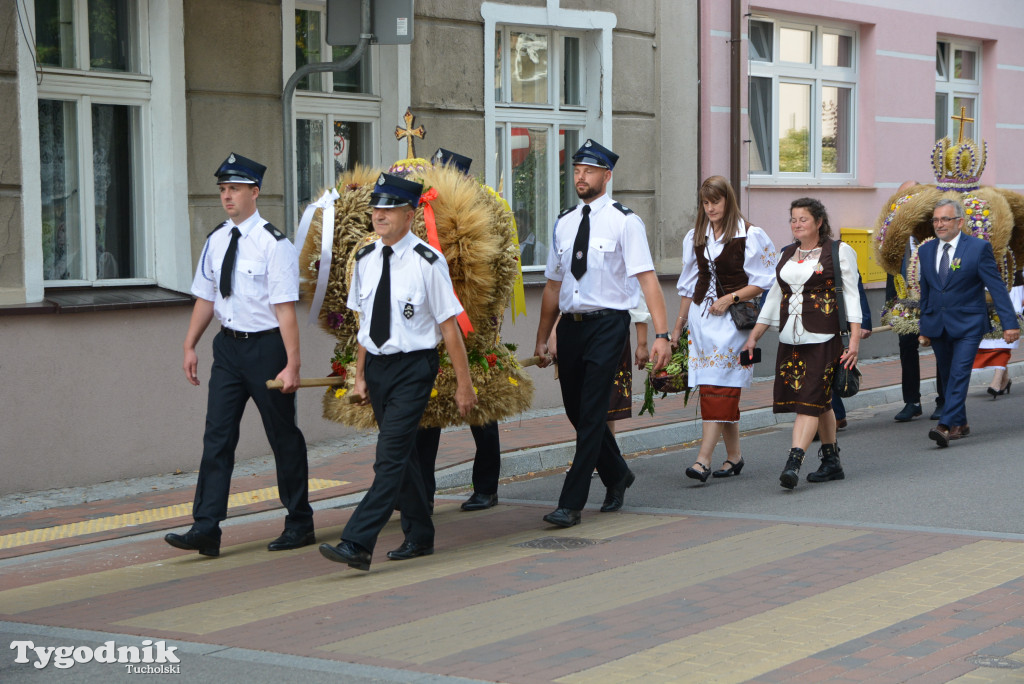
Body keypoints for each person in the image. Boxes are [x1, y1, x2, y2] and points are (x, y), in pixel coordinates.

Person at [319, 173, 476, 571]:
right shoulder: (366, 259)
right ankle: (420, 534)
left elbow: (449, 327)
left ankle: (357, 542)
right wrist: (359, 375)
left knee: (387, 459)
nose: (380, 216)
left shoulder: (428, 261)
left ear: (410, 214)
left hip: (413, 369)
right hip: (378, 369)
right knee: (402, 457)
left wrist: (464, 385)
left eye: (389, 209)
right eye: (376, 209)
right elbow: (365, 326)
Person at [165, 152, 314, 558]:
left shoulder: (274, 245)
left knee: (282, 436)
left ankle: (299, 520)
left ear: (255, 192)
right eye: (223, 190)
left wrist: (292, 362)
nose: (226, 197)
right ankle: (206, 527)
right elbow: (206, 297)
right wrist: (189, 343)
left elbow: (285, 310)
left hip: (267, 348)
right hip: (228, 348)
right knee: (217, 436)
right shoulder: (217, 240)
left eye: (234, 189)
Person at [534, 139, 672, 527]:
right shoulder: (564, 222)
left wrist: (660, 335)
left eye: (589, 171)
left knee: (593, 412)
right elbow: (551, 286)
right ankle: (617, 474)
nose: (581, 177)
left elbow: (648, 281)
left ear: (606, 176)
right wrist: (543, 336)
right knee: (576, 412)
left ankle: (571, 503)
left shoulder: (625, 221)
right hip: (572, 327)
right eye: (577, 170)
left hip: (609, 324)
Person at [742, 197, 861, 488]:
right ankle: (831, 460)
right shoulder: (786, 253)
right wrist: (754, 335)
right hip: (791, 338)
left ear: (819, 222)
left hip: (824, 337)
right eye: (793, 219)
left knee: (808, 401)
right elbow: (774, 297)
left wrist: (854, 340)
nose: (796, 224)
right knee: (818, 399)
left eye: (803, 219)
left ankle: (794, 461)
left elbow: (852, 295)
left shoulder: (839, 251)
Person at [671, 176, 777, 482]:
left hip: (734, 322)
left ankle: (703, 460)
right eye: (705, 203)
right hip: (702, 322)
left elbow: (765, 280)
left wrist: (730, 297)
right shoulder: (696, 235)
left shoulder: (751, 234)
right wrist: (678, 327)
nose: (710, 208)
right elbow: (688, 285)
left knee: (720, 386)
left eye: (715, 201)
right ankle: (734, 456)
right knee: (714, 385)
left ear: (728, 201)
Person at [413, 149, 502, 513]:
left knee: (479, 409)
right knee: (428, 410)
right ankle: (424, 493)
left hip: (472, 321)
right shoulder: (422, 214)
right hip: (431, 323)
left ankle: (486, 485)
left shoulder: (482, 210)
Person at [918, 199, 1020, 447]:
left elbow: (996, 288)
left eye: (945, 219)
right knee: (946, 373)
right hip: (938, 324)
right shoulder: (926, 250)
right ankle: (961, 423)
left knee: (960, 372)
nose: (939, 224)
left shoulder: (977, 248)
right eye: (936, 220)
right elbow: (926, 291)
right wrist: (924, 326)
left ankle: (945, 425)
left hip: (969, 323)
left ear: (960, 222)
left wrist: (1010, 324)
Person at [829, 277, 872, 432]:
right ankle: (836, 415)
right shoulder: (790, 253)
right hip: (803, 324)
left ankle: (834, 417)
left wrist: (865, 321)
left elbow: (855, 289)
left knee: (829, 369)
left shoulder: (839, 253)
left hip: (835, 319)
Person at [973, 268, 1022, 398]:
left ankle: (997, 379)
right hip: (982, 283)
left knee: (1003, 331)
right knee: (988, 334)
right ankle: (1004, 379)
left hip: (1011, 280)